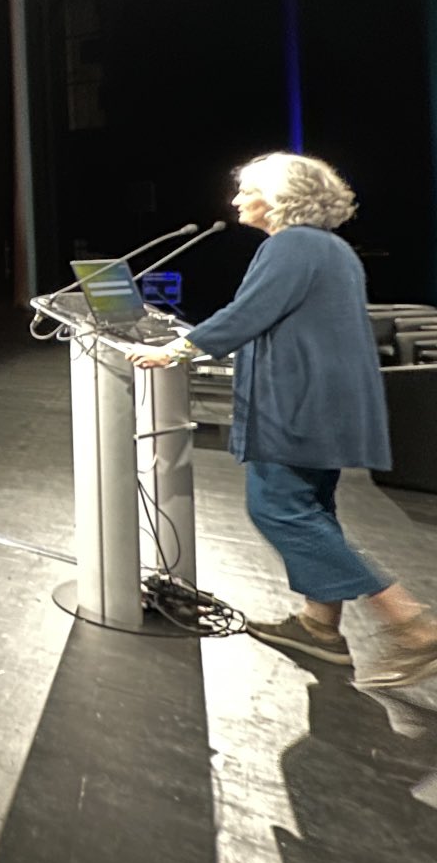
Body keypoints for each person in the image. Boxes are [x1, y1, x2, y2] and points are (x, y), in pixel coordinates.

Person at [125, 152, 437, 689]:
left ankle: (410, 622)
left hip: (299, 403)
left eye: (247, 190)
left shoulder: (290, 245)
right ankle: (321, 627)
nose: (236, 200)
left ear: (279, 196)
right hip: (328, 402)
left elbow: (250, 313)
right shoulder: (331, 248)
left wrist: (179, 349)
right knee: (311, 508)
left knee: (278, 509)